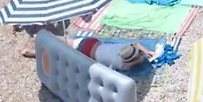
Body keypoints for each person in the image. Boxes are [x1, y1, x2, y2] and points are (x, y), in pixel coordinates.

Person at [22, 35, 154, 71]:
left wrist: (146, 51)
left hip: (92, 42)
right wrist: (144, 55)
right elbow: (137, 61)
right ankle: (34, 53)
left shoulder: (125, 47)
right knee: (59, 53)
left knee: (67, 41)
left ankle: (43, 36)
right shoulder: (120, 64)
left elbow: (136, 43)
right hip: (85, 51)